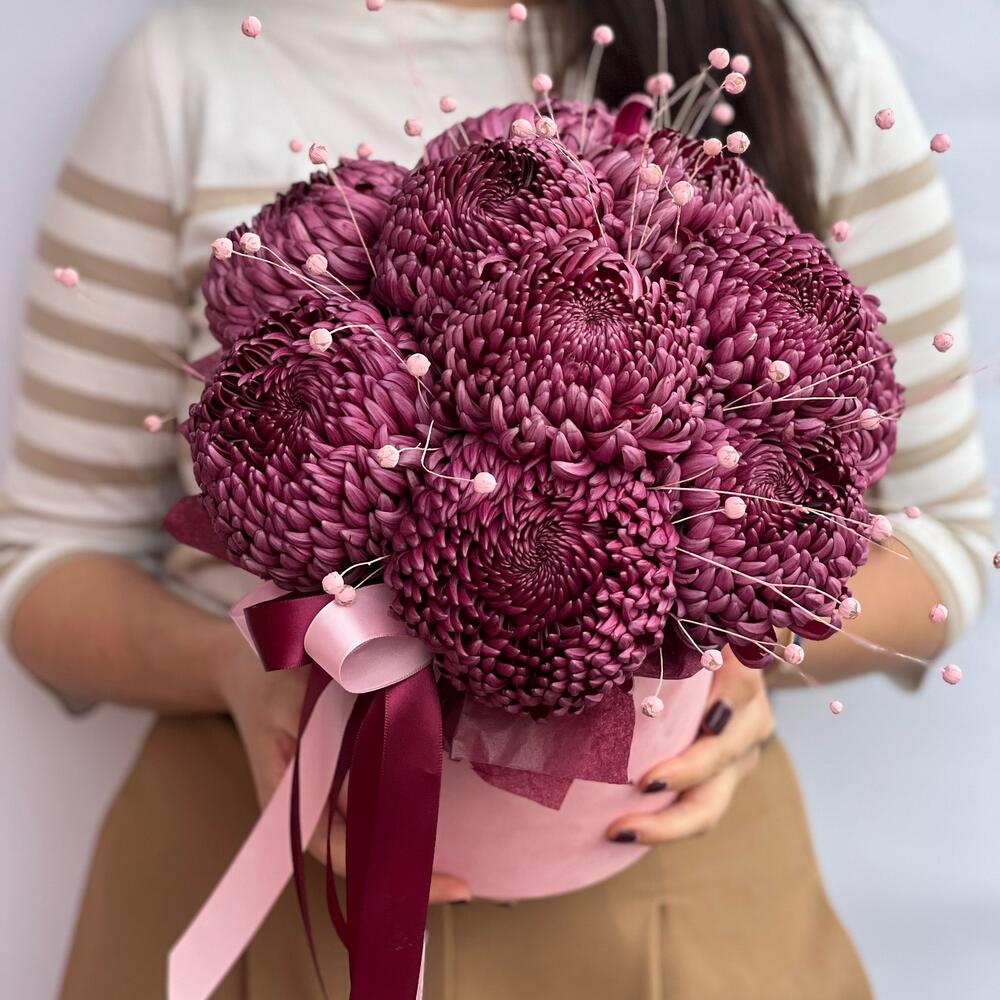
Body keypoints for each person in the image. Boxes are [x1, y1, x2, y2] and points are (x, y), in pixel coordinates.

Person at [1, 1, 992, 997]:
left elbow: (952, 539)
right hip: (255, 866)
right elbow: (41, 561)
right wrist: (235, 666)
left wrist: (735, 665)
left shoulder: (802, 55)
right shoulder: (188, 69)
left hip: (669, 903)